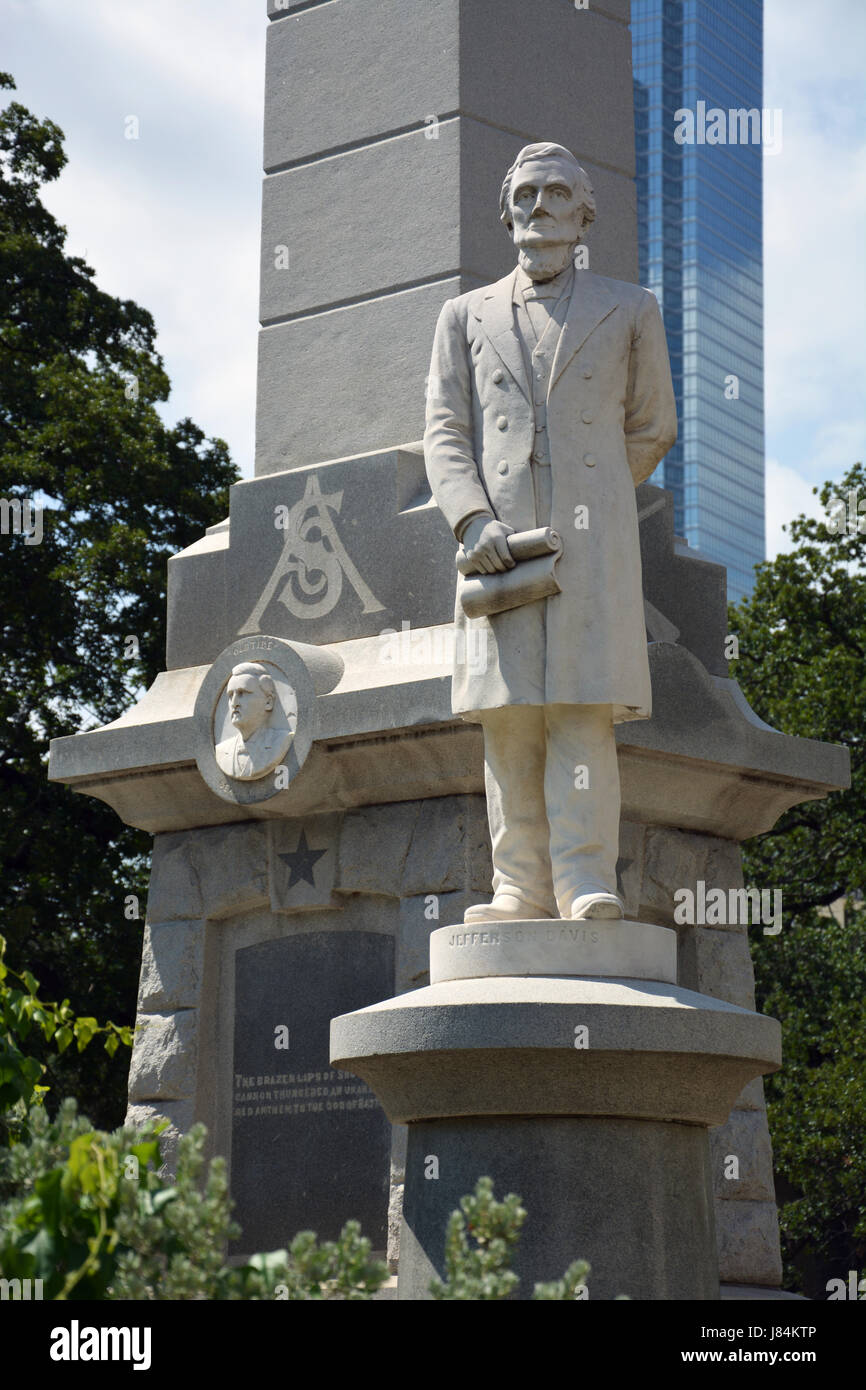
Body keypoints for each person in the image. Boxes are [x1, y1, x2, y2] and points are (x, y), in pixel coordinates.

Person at [424, 142, 676, 922]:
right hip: (492, 548)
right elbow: (444, 430)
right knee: (510, 720)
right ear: (506, 213)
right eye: (525, 194)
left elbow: (652, 426)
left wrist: (588, 498)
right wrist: (473, 518)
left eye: (556, 192)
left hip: (589, 548)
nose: (539, 207)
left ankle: (585, 880)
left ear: (583, 212)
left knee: (579, 710)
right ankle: (518, 886)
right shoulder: (462, 315)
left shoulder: (631, 306)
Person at [215, 662, 293, 781]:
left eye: (242, 693)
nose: (234, 703)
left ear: (268, 702)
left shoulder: (281, 740)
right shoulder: (222, 751)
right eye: (231, 695)